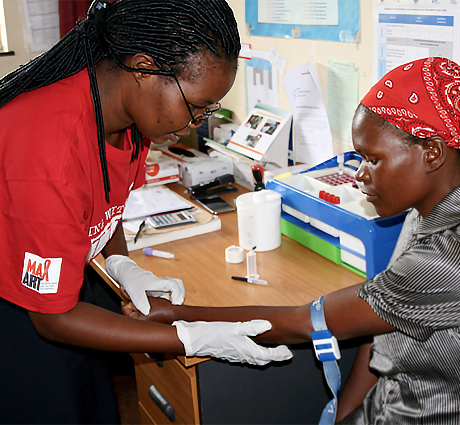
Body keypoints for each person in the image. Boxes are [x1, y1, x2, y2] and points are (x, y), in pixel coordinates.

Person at [123, 57, 460, 424]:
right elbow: (381, 326)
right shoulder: (428, 211)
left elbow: (302, 322)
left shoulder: (456, 258)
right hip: (395, 400)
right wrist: (341, 414)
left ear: (432, 153)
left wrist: (179, 314)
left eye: (372, 159)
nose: (360, 175)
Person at [0, 1, 292, 423]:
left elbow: (104, 200)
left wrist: (120, 262)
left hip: (59, 290)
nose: (195, 123)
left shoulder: (124, 116)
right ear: (143, 67)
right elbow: (52, 318)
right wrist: (188, 338)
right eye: (196, 106)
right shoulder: (51, 153)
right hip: (19, 315)